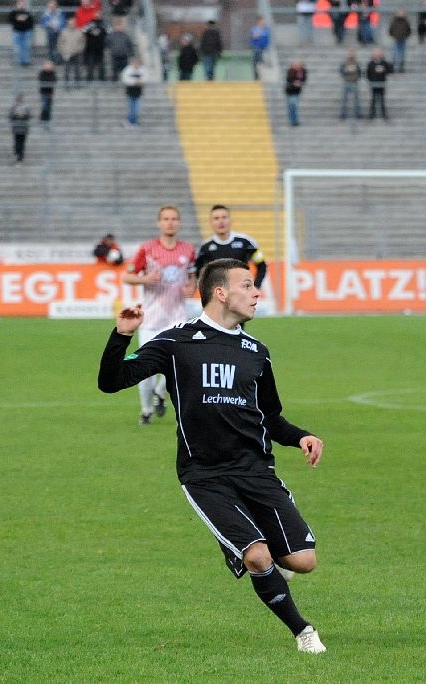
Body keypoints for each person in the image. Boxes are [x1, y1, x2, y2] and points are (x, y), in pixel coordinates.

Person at [98, 258, 327, 655]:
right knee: (258, 557)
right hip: (204, 474)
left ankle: (248, 548)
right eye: (247, 285)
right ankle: (303, 631)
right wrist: (121, 336)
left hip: (256, 470)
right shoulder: (175, 342)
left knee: (304, 561)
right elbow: (111, 381)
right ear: (220, 292)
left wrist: (301, 436)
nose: (256, 293)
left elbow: (270, 417)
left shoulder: (257, 352)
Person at [122, 205, 197, 424]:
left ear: (179, 222)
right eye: (166, 219)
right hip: (151, 320)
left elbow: (192, 276)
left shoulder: (188, 250)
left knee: (179, 363)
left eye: (174, 218)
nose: (170, 222)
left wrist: (191, 287)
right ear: (159, 223)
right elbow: (127, 277)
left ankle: (160, 392)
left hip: (177, 317)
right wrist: (144, 279)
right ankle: (146, 410)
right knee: (145, 370)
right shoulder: (147, 249)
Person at [195, 204, 268, 289]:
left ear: (230, 220)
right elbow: (198, 272)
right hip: (218, 294)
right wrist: (207, 290)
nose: (221, 221)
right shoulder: (205, 247)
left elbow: (262, 265)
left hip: (241, 293)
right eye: (216, 218)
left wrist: (256, 286)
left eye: (224, 217)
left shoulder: (245, 242)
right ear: (211, 222)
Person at [366, 47, 393, 121]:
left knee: (382, 99)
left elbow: (390, 70)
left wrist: (384, 70)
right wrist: (371, 80)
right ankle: (372, 114)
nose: (377, 55)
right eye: (376, 53)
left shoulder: (384, 63)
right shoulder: (371, 63)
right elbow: (368, 73)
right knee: (373, 99)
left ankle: (384, 114)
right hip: (374, 84)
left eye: (378, 53)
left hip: (382, 83)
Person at [58, 16, 84, 85]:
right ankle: (66, 84)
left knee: (77, 69)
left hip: (77, 53)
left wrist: (79, 50)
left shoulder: (79, 32)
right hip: (67, 54)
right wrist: (63, 52)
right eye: (70, 23)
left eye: (73, 23)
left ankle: (77, 83)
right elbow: (60, 43)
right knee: (67, 69)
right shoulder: (64, 32)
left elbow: (82, 43)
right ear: (68, 23)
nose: (72, 24)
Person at [120, 57, 145, 128]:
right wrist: (135, 81)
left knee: (137, 108)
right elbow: (125, 79)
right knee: (132, 108)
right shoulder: (128, 70)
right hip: (130, 92)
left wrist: (140, 82)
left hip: (138, 92)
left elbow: (145, 78)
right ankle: (131, 121)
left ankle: (132, 121)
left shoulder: (142, 70)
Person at [338, 48, 363, 120]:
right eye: (350, 53)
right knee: (344, 99)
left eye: (352, 53)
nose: (351, 54)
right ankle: (343, 113)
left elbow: (360, 72)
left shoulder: (357, 63)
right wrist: (346, 71)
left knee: (356, 99)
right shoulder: (344, 63)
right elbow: (341, 71)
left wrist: (356, 77)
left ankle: (358, 113)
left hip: (354, 82)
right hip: (347, 82)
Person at [108, 17, 135, 82]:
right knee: (114, 70)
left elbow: (130, 45)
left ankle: (124, 82)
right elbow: (108, 43)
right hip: (115, 55)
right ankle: (114, 82)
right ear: (115, 27)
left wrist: (131, 54)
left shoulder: (126, 36)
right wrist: (112, 49)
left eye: (120, 26)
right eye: (117, 26)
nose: (119, 27)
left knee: (124, 71)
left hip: (124, 56)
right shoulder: (111, 36)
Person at [9, 0, 35, 67]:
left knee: (25, 47)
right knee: (17, 47)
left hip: (26, 32)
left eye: (23, 4)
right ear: (17, 5)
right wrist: (17, 19)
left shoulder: (27, 13)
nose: (21, 5)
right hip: (17, 32)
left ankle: (25, 61)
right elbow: (10, 20)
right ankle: (18, 61)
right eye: (20, 4)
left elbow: (31, 22)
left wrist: (25, 21)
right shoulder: (13, 13)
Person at [9, 94, 32, 164]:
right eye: (18, 99)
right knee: (17, 142)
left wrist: (23, 115)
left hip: (23, 128)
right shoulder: (14, 107)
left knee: (22, 142)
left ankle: (20, 155)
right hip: (17, 127)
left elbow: (29, 116)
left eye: (20, 99)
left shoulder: (26, 107)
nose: (19, 100)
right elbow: (11, 116)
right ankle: (18, 154)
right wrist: (17, 115)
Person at [285, 59, 308, 127]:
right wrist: (294, 82)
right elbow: (288, 79)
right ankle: (293, 120)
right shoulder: (290, 70)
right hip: (290, 91)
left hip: (296, 91)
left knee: (293, 105)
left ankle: (294, 120)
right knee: (291, 106)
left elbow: (304, 79)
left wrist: (299, 82)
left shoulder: (302, 71)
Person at [388, 9, 411, 74]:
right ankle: (392, 67)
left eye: (402, 13)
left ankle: (401, 67)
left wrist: (406, 36)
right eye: (400, 13)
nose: (401, 14)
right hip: (396, 39)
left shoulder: (406, 21)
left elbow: (409, 30)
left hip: (403, 39)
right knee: (394, 54)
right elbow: (391, 29)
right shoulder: (394, 21)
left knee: (402, 54)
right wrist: (393, 35)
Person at [250, 16, 271, 81]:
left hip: (264, 48)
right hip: (257, 48)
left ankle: (263, 76)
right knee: (256, 62)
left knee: (262, 62)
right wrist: (259, 35)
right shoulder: (255, 29)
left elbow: (267, 37)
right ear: (258, 21)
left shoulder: (266, 29)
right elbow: (254, 36)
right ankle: (256, 77)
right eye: (262, 20)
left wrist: (260, 35)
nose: (263, 22)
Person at [38, 60, 58, 129]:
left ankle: (47, 120)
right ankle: (43, 119)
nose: (48, 67)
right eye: (47, 65)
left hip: (50, 93)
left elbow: (54, 80)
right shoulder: (42, 73)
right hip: (43, 93)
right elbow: (42, 80)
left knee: (48, 108)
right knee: (44, 107)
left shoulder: (53, 73)